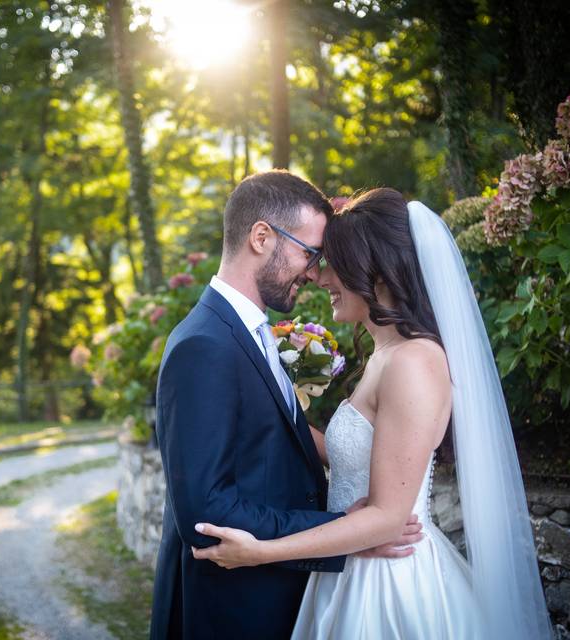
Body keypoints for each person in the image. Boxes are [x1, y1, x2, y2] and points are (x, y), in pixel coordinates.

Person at [192, 188, 553, 639]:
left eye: (331, 263)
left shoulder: (414, 362)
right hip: (348, 571)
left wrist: (260, 551)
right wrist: (262, 405)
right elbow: (353, 450)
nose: (319, 279)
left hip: (386, 585)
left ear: (375, 269)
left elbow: (385, 517)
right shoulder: (386, 353)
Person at [149, 174, 423, 639]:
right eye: (308, 253)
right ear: (261, 237)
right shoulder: (205, 345)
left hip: (278, 597)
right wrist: (340, 532)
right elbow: (207, 512)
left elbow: (278, 444)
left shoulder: (251, 333)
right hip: (232, 610)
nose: (315, 272)